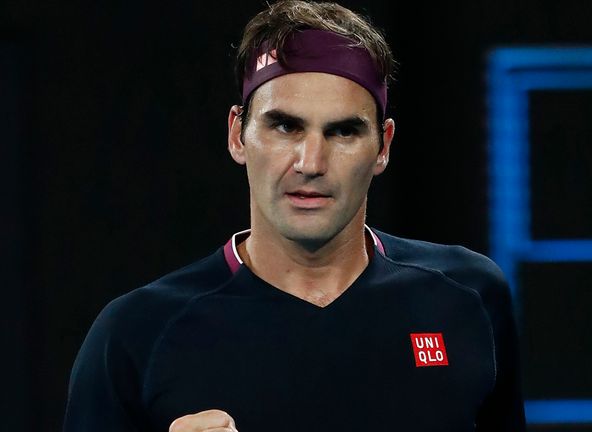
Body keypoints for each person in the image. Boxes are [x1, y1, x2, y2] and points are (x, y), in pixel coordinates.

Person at [63, 1, 526, 431]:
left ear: (383, 146)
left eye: (343, 131)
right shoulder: (136, 334)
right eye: (285, 125)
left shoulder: (469, 296)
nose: (310, 162)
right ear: (238, 135)